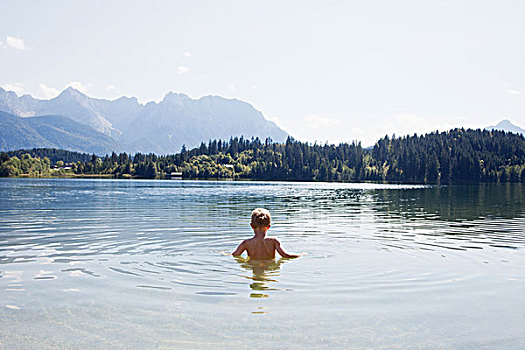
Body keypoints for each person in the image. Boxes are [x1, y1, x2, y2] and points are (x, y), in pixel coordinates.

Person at [232, 208, 300, 259]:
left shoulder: (246, 243)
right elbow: (285, 255)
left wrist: (225, 254)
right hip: (269, 269)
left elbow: (235, 254)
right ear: (268, 226)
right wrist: (300, 255)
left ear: (251, 226)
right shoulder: (273, 241)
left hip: (254, 267)